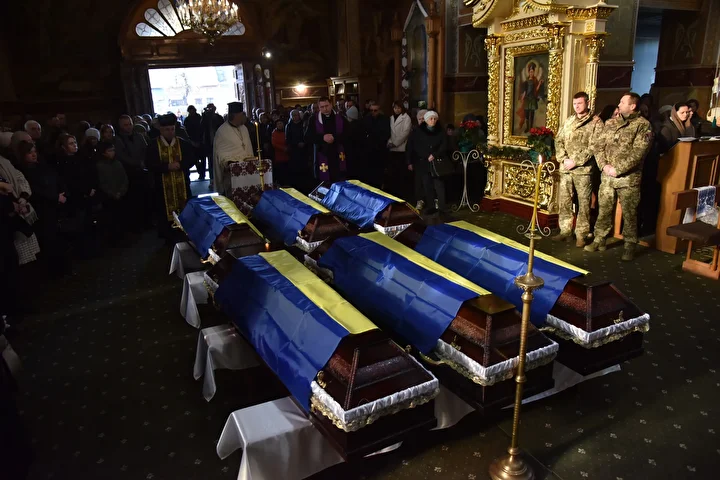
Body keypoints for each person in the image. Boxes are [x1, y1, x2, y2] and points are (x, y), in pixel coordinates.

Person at [585, 92, 652, 261]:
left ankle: (629, 245)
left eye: (622, 102)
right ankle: (599, 239)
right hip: (607, 177)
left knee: (630, 213)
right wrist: (604, 166)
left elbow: (639, 153)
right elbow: (598, 147)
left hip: (628, 179)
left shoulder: (643, 125)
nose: (619, 104)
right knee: (604, 210)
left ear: (632, 106)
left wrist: (618, 169)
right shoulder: (610, 123)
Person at [552, 91, 604, 247]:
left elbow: (595, 146)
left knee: (584, 202)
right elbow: (558, 140)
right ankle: (565, 231)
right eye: (574, 104)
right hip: (566, 167)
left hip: (583, 169)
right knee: (565, 200)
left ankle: (581, 234)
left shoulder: (596, 122)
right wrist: (563, 158)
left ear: (587, 103)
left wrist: (576, 161)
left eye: (580, 103)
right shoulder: (569, 121)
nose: (577, 106)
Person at [145, 114, 196, 241]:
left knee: (184, 208)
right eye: (167, 129)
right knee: (164, 211)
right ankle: (168, 236)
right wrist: (166, 167)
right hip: (162, 186)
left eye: (172, 129)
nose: (170, 132)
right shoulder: (153, 145)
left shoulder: (183, 143)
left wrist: (180, 165)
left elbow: (192, 159)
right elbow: (149, 164)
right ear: (161, 130)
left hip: (182, 183)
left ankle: (184, 233)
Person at [406, 110, 448, 215]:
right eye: (430, 119)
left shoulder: (441, 131)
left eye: (434, 119)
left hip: (437, 161)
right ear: (426, 120)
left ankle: (442, 207)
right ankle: (431, 206)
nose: (433, 121)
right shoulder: (418, 131)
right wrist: (426, 155)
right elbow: (416, 146)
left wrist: (435, 154)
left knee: (439, 184)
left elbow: (444, 144)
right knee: (427, 184)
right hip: (423, 161)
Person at [212, 103, 255, 194]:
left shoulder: (244, 128)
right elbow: (220, 153)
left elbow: (247, 147)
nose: (244, 117)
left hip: (248, 170)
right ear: (236, 115)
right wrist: (229, 162)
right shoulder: (222, 131)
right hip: (232, 174)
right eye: (242, 114)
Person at [306, 96, 348, 183]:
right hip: (322, 153)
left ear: (331, 104)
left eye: (327, 106)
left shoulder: (341, 118)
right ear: (319, 107)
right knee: (324, 183)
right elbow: (308, 136)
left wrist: (335, 138)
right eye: (322, 107)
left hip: (337, 154)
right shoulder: (313, 119)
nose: (325, 109)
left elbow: (348, 134)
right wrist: (322, 137)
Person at [95, 141, 129, 242]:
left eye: (113, 150)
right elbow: (102, 183)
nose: (112, 152)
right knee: (110, 219)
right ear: (103, 152)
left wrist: (121, 192)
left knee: (121, 217)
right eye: (109, 151)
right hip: (108, 197)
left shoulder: (118, 163)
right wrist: (112, 193)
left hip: (120, 195)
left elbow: (124, 179)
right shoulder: (100, 166)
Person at [362, 101, 391, 188]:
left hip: (380, 148)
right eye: (371, 110)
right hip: (369, 148)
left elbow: (386, 133)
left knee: (380, 170)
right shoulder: (366, 119)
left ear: (379, 110)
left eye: (375, 110)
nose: (373, 112)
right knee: (370, 170)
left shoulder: (385, 119)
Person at [387, 101, 412, 197]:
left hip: (401, 148)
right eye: (395, 108)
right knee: (393, 172)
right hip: (392, 149)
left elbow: (405, 133)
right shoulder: (391, 117)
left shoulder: (406, 117)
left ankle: (402, 193)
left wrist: (395, 143)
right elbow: (390, 132)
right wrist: (390, 142)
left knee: (401, 172)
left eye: (398, 108)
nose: (397, 110)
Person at [285, 109, 307, 190]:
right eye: (293, 115)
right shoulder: (288, 126)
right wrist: (296, 143)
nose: (295, 117)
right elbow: (287, 139)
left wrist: (303, 143)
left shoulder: (303, 124)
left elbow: (306, 135)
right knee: (294, 169)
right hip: (294, 151)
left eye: (296, 115)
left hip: (303, 150)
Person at [184, 105, 205, 179]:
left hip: (197, 141)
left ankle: (201, 173)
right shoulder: (199, 118)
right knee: (198, 159)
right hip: (195, 141)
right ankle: (201, 173)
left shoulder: (188, 120)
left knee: (198, 159)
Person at [271, 119, 289, 186]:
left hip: (286, 154)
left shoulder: (286, 131)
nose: (280, 125)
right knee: (280, 170)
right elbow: (274, 143)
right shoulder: (274, 132)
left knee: (286, 170)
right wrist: (283, 148)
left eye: (281, 123)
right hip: (279, 154)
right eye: (278, 124)